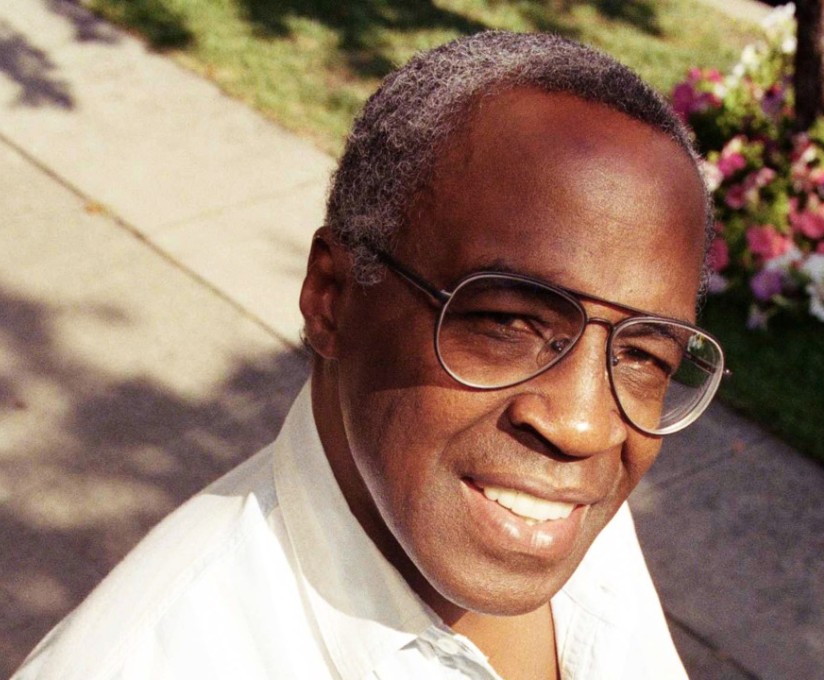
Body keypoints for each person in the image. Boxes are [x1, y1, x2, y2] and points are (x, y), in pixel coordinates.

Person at [14, 30, 725, 679]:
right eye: (507, 321)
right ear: (333, 296)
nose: (582, 426)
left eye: (643, 356)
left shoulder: (555, 505)